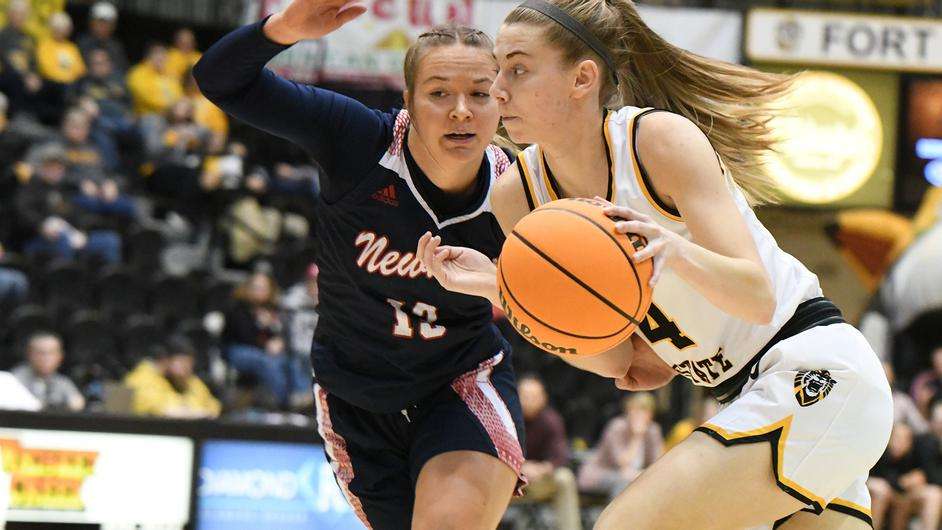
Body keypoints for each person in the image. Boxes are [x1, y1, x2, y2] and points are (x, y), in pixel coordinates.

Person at [417, 1, 892, 529]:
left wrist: (672, 249)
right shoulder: (518, 197)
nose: (497, 88)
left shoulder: (656, 142)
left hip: (812, 368)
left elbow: (756, 297)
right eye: (498, 68)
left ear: (582, 78)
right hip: (743, 395)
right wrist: (505, 290)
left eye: (519, 68)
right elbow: (626, 361)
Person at [195, 1, 525, 527]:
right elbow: (219, 80)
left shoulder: (521, 190)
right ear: (409, 102)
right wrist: (283, 30)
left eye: (480, 94)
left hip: (459, 380)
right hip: (354, 395)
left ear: (500, 102)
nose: (461, 110)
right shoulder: (358, 140)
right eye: (439, 93)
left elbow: (557, 308)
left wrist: (504, 289)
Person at [517, 374, 582, 530]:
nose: (530, 400)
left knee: (565, 478)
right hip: (510, 477)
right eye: (525, 396)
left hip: (538, 479)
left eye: (534, 396)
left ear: (543, 398)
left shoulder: (551, 420)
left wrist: (543, 468)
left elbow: (560, 457)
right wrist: (522, 467)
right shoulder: (505, 416)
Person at [578, 392, 663, 498]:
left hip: (634, 476)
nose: (639, 415)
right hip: (602, 473)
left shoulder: (653, 431)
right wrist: (637, 437)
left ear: (651, 414)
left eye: (644, 411)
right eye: (635, 410)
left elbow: (658, 464)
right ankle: (616, 515)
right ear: (628, 410)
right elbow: (621, 464)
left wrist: (641, 474)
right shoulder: (617, 427)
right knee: (623, 483)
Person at [124, 336, 221, 419]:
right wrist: (192, 412)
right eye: (183, 364)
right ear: (165, 360)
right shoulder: (142, 378)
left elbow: (212, 407)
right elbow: (160, 410)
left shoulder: (189, 380)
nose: (188, 369)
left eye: (190, 364)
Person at [11, 331, 85, 411]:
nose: (46, 358)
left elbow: (77, 402)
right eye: (41, 353)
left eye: (51, 353)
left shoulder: (61, 381)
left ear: (60, 356)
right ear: (29, 354)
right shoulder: (15, 379)